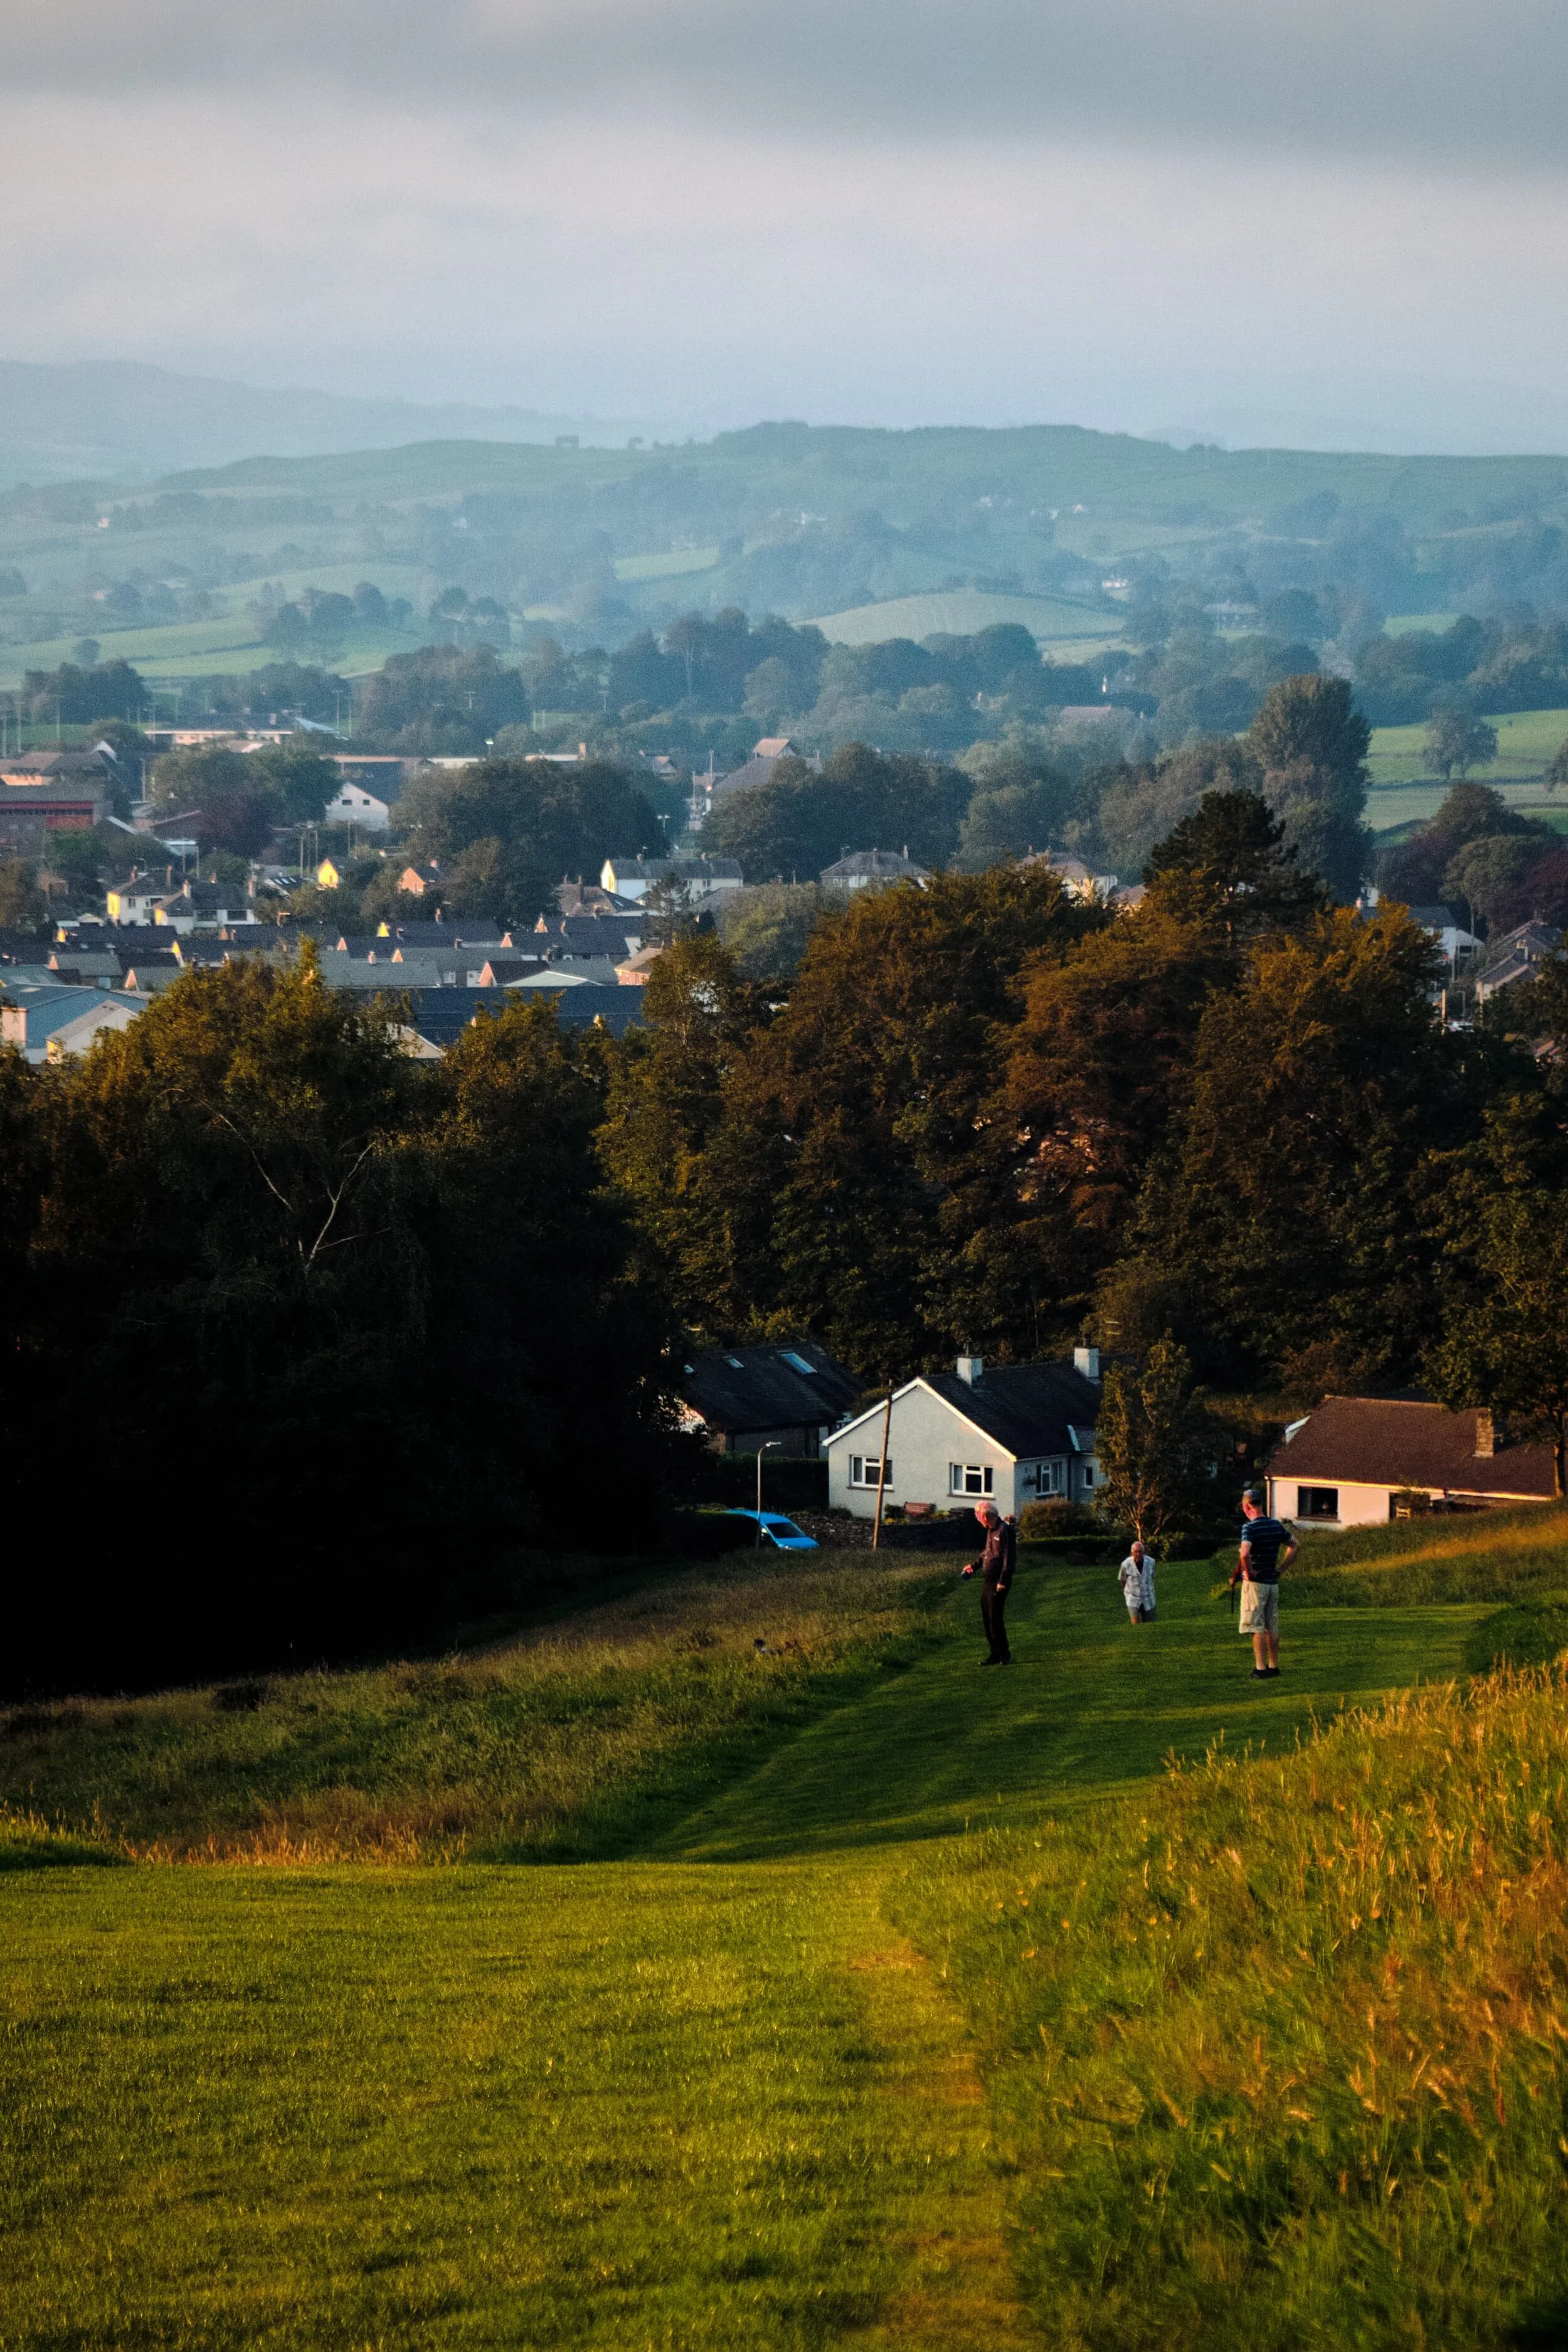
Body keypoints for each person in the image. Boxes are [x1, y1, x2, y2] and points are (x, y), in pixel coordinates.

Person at [1229, 1486, 1296, 1678]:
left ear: (1247, 1506)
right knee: (1272, 1625)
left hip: (1256, 1584)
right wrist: (1281, 1569)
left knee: (1256, 1626)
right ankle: (1274, 1666)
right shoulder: (1275, 1525)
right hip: (1272, 1582)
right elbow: (1294, 1545)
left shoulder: (1249, 1528)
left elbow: (1244, 1552)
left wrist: (1248, 1573)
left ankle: (1260, 1668)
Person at [963, 1500, 1016, 1664]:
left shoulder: (1004, 1531)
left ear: (985, 1516)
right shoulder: (991, 1531)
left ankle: (1005, 1654)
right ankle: (994, 1654)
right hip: (987, 1580)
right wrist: (973, 1567)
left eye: (979, 1516)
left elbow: (1009, 1559)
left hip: (998, 1581)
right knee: (987, 1619)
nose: (978, 1519)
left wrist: (1003, 1581)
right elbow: (987, 1554)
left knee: (995, 1619)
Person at [1118, 1539, 1155, 1623]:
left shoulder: (1151, 1562)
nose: (1138, 1554)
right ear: (1132, 1553)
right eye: (1136, 1552)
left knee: (1149, 1622)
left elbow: (1152, 1576)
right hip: (1132, 1596)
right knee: (1135, 1621)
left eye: (1140, 1552)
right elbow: (1122, 1579)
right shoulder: (1125, 1564)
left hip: (1147, 1596)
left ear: (1143, 1552)